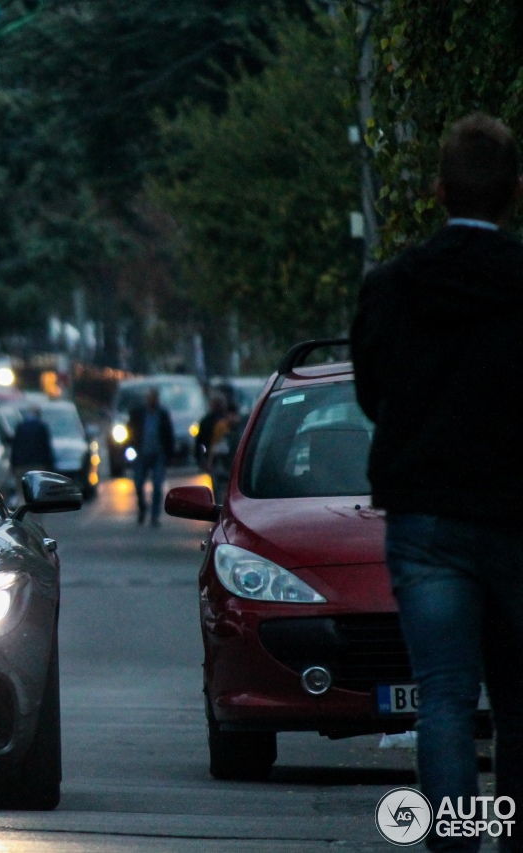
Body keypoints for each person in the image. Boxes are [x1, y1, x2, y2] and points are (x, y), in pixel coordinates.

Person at [351, 112, 523, 853]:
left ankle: (457, 843)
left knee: (445, 698)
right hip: (518, 514)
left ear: (438, 190)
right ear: (514, 192)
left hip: (425, 516)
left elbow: (370, 390)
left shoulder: (393, 287)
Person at [127, 387, 174, 526]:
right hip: (141, 453)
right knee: (138, 483)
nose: (151, 400)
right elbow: (130, 430)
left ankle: (154, 516)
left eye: (153, 398)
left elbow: (169, 434)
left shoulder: (163, 414)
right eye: (149, 398)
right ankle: (142, 507)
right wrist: (130, 447)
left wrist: (169, 454)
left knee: (158, 486)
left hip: (158, 454)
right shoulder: (138, 413)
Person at [10, 406, 55, 497]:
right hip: (38, 465)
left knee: (22, 493)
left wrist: (13, 465)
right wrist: (50, 465)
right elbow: (46, 447)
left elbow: (15, 447)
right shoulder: (42, 427)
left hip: (21, 465)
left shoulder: (20, 426)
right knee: (38, 492)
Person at [205, 402, 242, 505]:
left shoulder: (240, 427)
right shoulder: (221, 426)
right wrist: (210, 462)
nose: (233, 418)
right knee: (220, 491)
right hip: (221, 464)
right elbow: (215, 445)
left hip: (233, 464)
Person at [196, 393, 227, 468]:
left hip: (212, 455)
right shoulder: (226, 420)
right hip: (223, 456)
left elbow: (200, 441)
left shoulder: (206, 421)